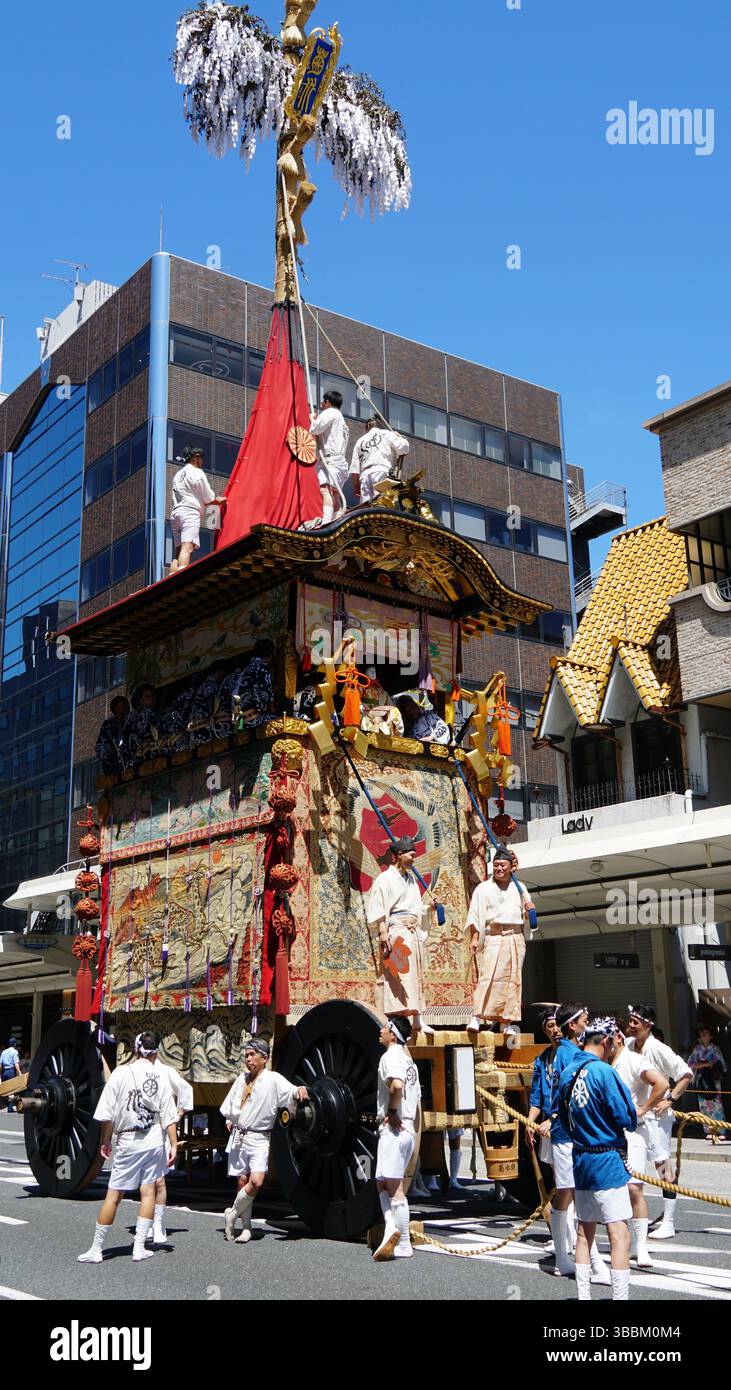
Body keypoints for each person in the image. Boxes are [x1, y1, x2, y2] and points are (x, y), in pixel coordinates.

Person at [78, 1031, 178, 1264]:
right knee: (148, 1192)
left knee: (114, 1194)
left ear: (135, 1050)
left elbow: (107, 1113)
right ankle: (139, 1247)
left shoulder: (121, 1073)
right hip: (154, 1140)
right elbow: (168, 1115)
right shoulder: (160, 1076)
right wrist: (173, 1144)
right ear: (156, 1052)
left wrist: (105, 1140)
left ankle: (96, 1249)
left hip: (128, 1140)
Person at [558, 1016, 637, 1302]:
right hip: (607, 1158)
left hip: (580, 1157)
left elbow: (562, 1117)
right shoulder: (605, 1072)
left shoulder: (567, 1072)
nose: (614, 1047)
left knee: (584, 1232)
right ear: (605, 1041)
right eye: (614, 1042)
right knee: (619, 1233)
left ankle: (583, 1296)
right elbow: (626, 1117)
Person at [220, 1039, 307, 1244]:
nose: (248, 1059)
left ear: (264, 1058)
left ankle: (232, 1213)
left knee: (256, 1180)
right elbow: (232, 1103)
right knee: (242, 1181)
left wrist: (300, 1090)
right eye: (247, 1055)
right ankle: (246, 1227)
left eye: (253, 1055)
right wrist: (229, 1119)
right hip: (240, 1135)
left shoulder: (273, 1079)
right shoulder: (241, 1079)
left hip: (260, 1137)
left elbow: (291, 1091)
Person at [548, 1001, 610, 1284]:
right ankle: (587, 1261)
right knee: (574, 1195)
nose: (588, 1023)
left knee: (570, 1194)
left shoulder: (566, 1051)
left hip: (570, 1132)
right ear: (572, 1025)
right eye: (585, 1019)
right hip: (567, 1134)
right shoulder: (568, 1053)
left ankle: (566, 1256)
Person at [626, 1003, 693, 1241]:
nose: (631, 1026)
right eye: (630, 1021)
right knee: (631, 1165)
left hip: (656, 1116)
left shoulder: (657, 1048)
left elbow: (686, 1073)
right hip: (635, 1115)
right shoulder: (628, 1045)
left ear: (648, 1025)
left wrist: (671, 1098)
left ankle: (669, 1222)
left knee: (662, 1165)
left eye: (636, 1023)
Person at [367, 835, 436, 1036]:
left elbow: (414, 908)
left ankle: (417, 1019)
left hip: (411, 931)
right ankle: (394, 1020)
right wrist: (382, 931)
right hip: (396, 931)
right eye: (411, 855)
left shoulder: (411, 879)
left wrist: (428, 908)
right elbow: (379, 907)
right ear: (399, 855)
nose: (414, 858)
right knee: (398, 974)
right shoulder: (384, 879)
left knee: (415, 976)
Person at [610, 1024, 667, 1267]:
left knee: (634, 1189)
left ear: (618, 1037)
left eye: (608, 1038)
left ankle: (641, 1246)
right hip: (608, 1134)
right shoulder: (603, 1063)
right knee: (612, 1190)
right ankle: (622, 1242)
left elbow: (661, 1083)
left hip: (633, 1132)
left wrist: (643, 1108)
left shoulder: (633, 1060)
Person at [466, 846, 536, 1039]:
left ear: (511, 867)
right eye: (495, 865)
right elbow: (475, 915)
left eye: (502, 865)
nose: (498, 869)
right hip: (494, 935)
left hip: (514, 937)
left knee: (512, 981)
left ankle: (506, 1023)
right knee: (488, 977)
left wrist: (529, 910)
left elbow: (528, 917)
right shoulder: (483, 888)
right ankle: (476, 1018)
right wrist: (474, 937)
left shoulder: (520, 888)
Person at [373, 1015, 421, 1261]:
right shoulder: (407, 1060)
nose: (380, 1031)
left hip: (395, 1127)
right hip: (408, 1128)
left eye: (384, 1027)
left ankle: (402, 1241)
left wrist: (392, 1112)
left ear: (393, 1034)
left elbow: (397, 1086)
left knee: (394, 1189)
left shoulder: (390, 1056)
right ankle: (392, 1227)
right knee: (382, 1182)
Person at [146, 1058, 194, 1246]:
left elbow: (185, 1089)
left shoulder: (165, 1071)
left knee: (158, 1180)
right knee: (145, 1182)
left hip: (160, 1130)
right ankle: (146, 1223)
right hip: (140, 1132)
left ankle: (158, 1224)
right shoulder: (133, 1071)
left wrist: (178, 1115)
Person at [169, 445, 227, 574]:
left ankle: (171, 574)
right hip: (189, 513)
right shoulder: (197, 472)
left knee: (177, 550)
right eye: (201, 458)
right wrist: (218, 500)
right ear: (196, 458)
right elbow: (208, 497)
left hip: (176, 513)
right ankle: (181, 575)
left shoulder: (178, 474)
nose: (202, 462)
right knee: (187, 547)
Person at [310, 391, 350, 524]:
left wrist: (312, 419)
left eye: (323, 402)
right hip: (340, 461)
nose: (321, 405)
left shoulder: (330, 413)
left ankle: (327, 520)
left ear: (328, 401)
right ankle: (337, 519)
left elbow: (315, 429)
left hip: (330, 460)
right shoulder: (342, 421)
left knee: (325, 489)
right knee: (335, 492)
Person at [350, 417, 409, 506]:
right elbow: (403, 448)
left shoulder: (360, 441)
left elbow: (355, 470)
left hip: (365, 476)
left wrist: (357, 487)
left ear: (368, 425)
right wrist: (400, 438)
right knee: (381, 504)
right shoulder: (386, 433)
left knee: (366, 507)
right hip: (381, 471)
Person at [687, 1025, 727, 1142]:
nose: (703, 1034)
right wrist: (705, 1064)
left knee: (717, 1106)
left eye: (706, 1032)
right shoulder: (697, 1050)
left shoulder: (715, 1049)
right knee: (704, 1106)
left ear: (711, 1036)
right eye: (701, 1033)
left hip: (714, 1081)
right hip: (701, 1080)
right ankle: (709, 1131)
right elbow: (691, 1063)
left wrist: (703, 1063)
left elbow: (721, 1065)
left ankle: (721, 1130)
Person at [231, 639, 276, 729]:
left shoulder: (245, 671)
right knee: (281, 722)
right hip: (253, 720)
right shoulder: (262, 668)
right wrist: (271, 706)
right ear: (271, 654)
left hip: (239, 724)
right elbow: (266, 696)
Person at [94, 696, 131, 774]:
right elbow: (101, 746)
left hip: (130, 763)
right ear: (116, 708)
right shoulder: (108, 724)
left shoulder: (131, 720)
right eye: (124, 704)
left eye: (127, 704)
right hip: (114, 767)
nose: (127, 707)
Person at [1, 1035, 21, 1112]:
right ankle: (10, 1108)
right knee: (12, 1090)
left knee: (6, 1089)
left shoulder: (3, 1052)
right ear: (15, 1044)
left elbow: (0, 1065)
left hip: (4, 1072)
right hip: (10, 1071)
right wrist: (19, 1073)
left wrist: (0, 1076)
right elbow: (16, 1063)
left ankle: (6, 1105)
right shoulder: (14, 1052)